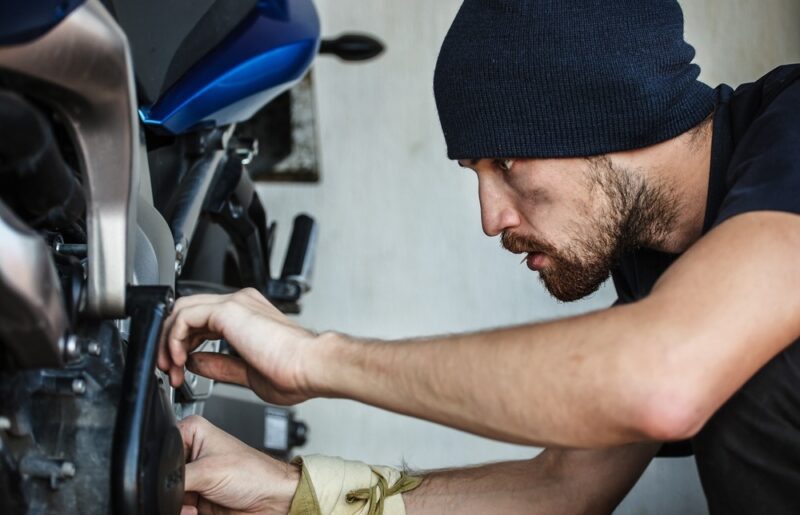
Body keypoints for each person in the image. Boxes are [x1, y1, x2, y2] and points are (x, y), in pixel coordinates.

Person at [158, 1, 800, 513]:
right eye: (475, 171)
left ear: (607, 113)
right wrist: (287, 491)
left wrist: (313, 358)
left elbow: (660, 382)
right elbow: (558, 490)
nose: (491, 219)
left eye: (505, 162)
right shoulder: (658, 268)